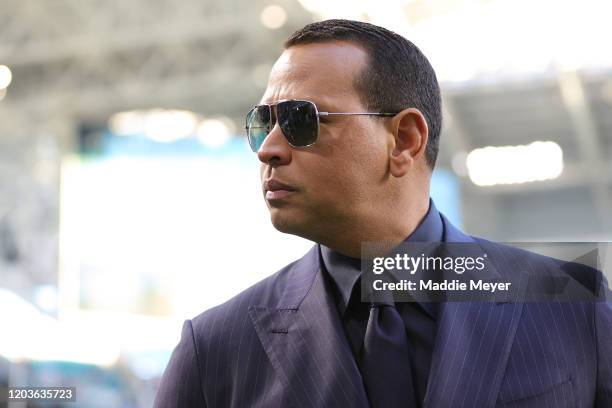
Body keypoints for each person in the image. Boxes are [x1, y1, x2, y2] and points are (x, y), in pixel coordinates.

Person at [153, 19, 612, 407]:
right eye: (263, 123)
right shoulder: (215, 350)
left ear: (405, 140)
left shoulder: (574, 304)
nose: (268, 149)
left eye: (300, 120)